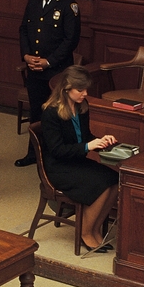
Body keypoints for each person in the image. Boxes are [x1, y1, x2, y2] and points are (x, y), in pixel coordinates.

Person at [41, 65, 119, 251]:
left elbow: (86, 136)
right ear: (66, 88)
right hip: (59, 167)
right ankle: (85, 232)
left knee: (115, 180)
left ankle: (94, 229)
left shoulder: (82, 107)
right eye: (80, 90)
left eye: (86, 89)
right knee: (100, 184)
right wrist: (87, 147)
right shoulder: (50, 113)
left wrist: (101, 141)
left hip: (77, 162)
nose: (85, 93)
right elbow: (57, 150)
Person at [15, 0, 81, 167]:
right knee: (36, 111)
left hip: (56, 72)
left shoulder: (68, 5)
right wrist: (26, 56)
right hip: (34, 69)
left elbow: (71, 40)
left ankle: (58, 155)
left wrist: (49, 61)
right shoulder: (34, 1)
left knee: (57, 113)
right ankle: (34, 153)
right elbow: (24, 30)